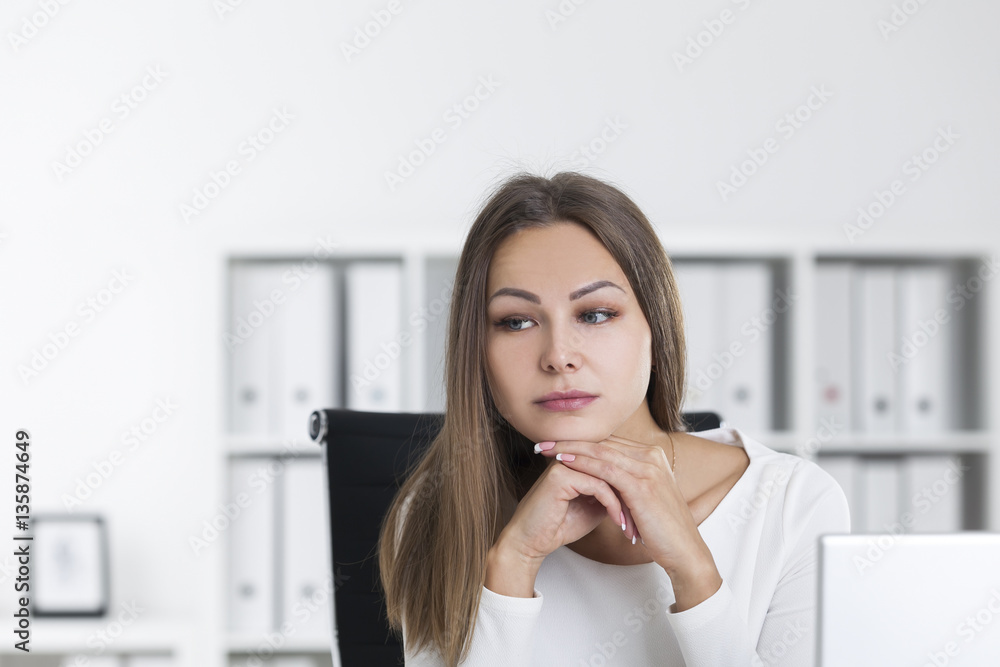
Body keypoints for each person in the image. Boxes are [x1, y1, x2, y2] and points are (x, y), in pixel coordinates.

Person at [377, 171, 851, 666]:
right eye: (516, 321)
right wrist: (511, 565)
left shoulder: (791, 505)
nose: (558, 356)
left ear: (655, 326)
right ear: (477, 350)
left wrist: (694, 572)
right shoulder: (443, 508)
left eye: (596, 314)